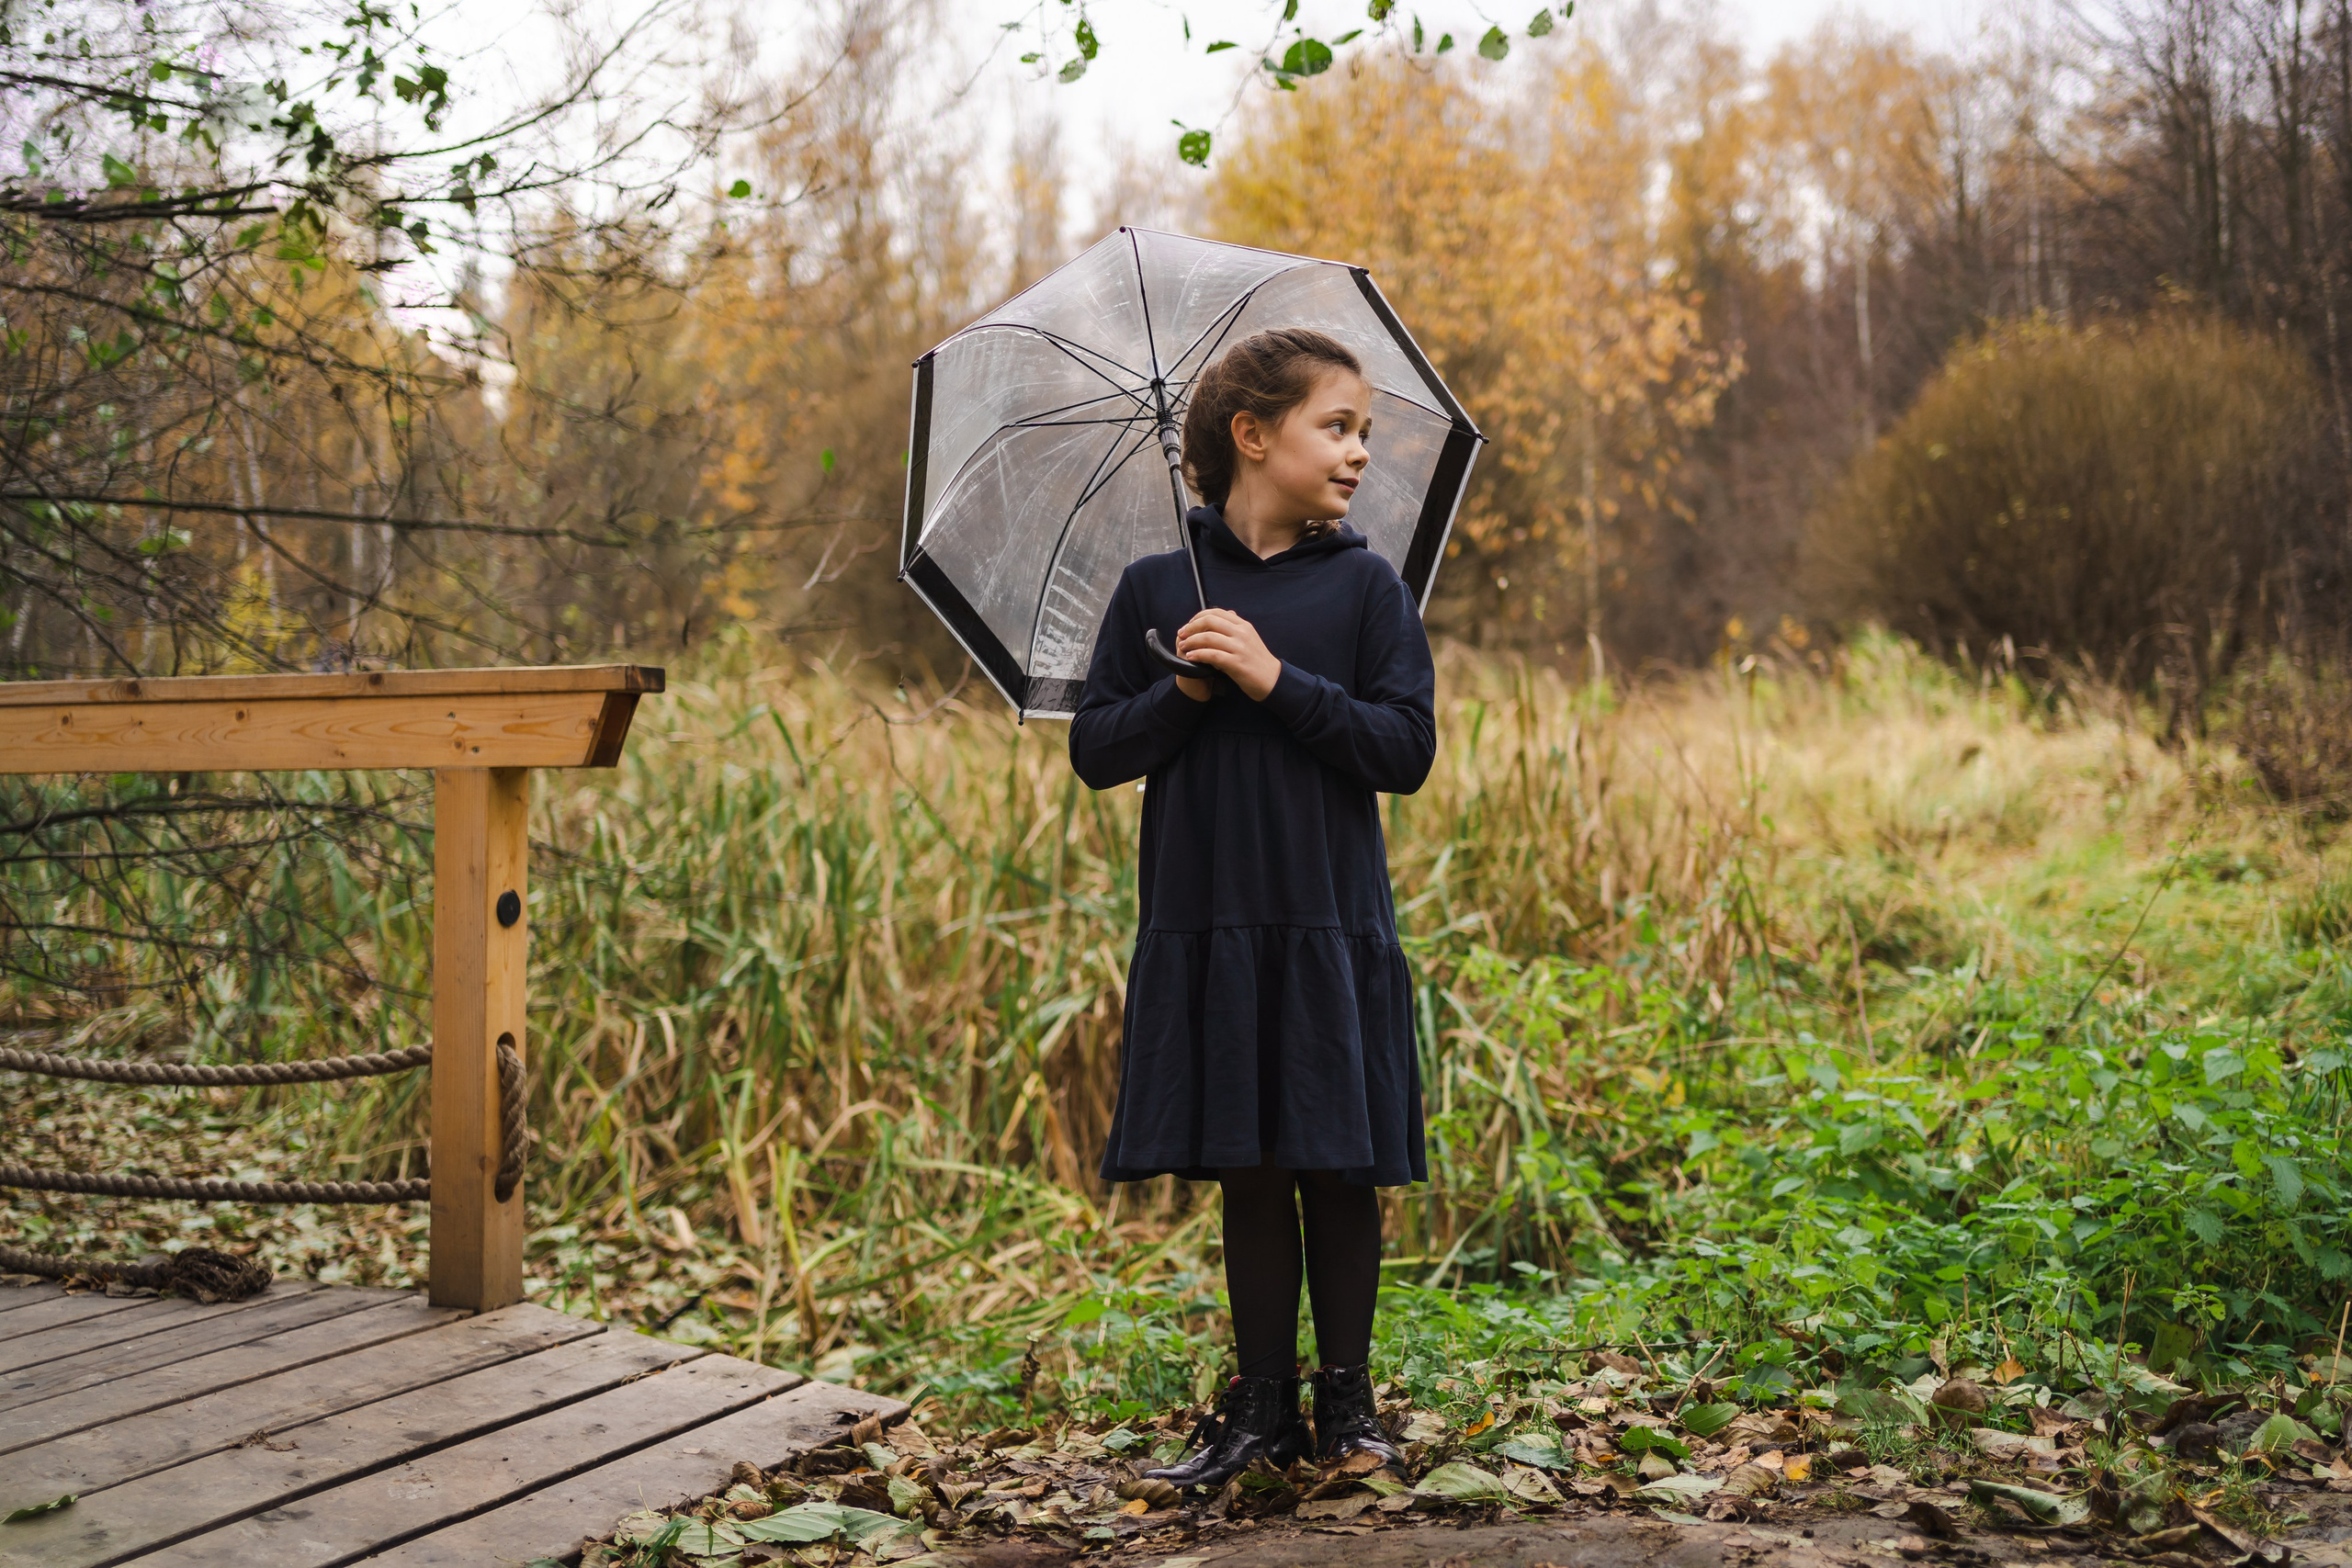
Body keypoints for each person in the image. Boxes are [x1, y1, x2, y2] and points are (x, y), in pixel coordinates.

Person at [1067, 327, 1436, 1490]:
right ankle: (1262, 1412)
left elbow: (1404, 750)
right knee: (1253, 1171)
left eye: (1364, 431)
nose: (1359, 452)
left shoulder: (1366, 587)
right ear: (1253, 435)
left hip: (1326, 922)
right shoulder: (1156, 590)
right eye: (1338, 426)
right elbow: (1095, 751)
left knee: (1337, 1165)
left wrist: (1275, 680)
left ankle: (1350, 1409)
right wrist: (1184, 686)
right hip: (1210, 920)